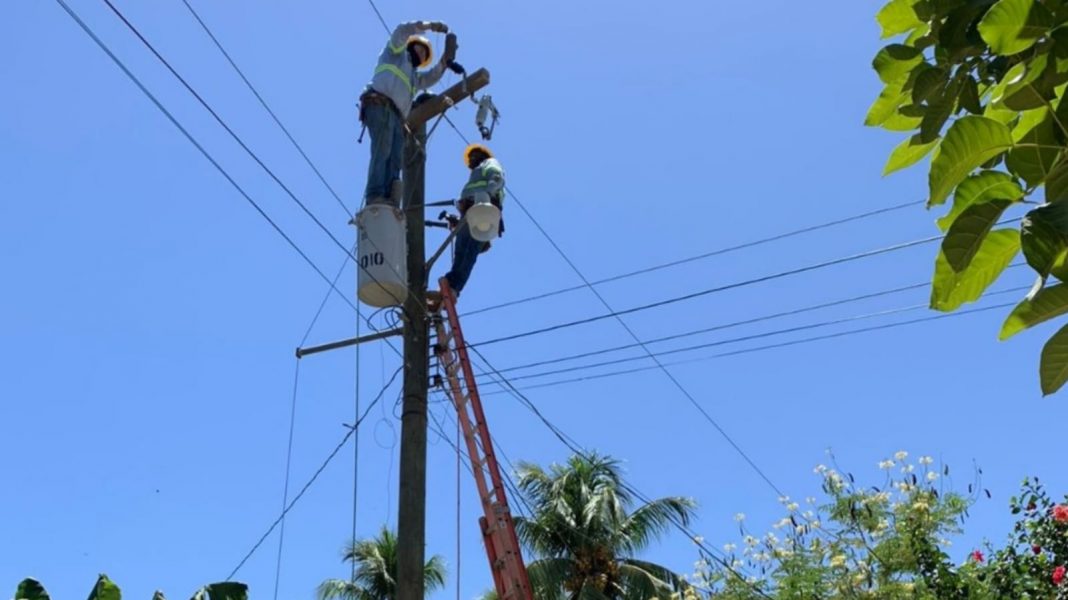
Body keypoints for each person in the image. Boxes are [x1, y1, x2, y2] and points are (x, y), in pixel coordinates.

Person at [359, 21, 457, 207]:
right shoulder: (396, 53)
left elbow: (431, 78)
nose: (420, 53)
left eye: (424, 53)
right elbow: (401, 31)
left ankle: (389, 199)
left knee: (396, 159)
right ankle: (375, 195)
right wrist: (430, 26)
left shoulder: (414, 77)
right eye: (419, 49)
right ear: (411, 45)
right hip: (379, 104)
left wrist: (445, 62)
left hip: (397, 117)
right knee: (383, 149)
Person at [440, 144, 505, 299]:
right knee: (461, 252)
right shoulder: (474, 176)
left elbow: (497, 177)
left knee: (468, 251)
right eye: (470, 158)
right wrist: (457, 218)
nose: (471, 160)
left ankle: (454, 286)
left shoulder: (489, 163)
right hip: (471, 213)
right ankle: (450, 284)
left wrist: (487, 192)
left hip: (483, 210)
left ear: (482, 155)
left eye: (474, 156)